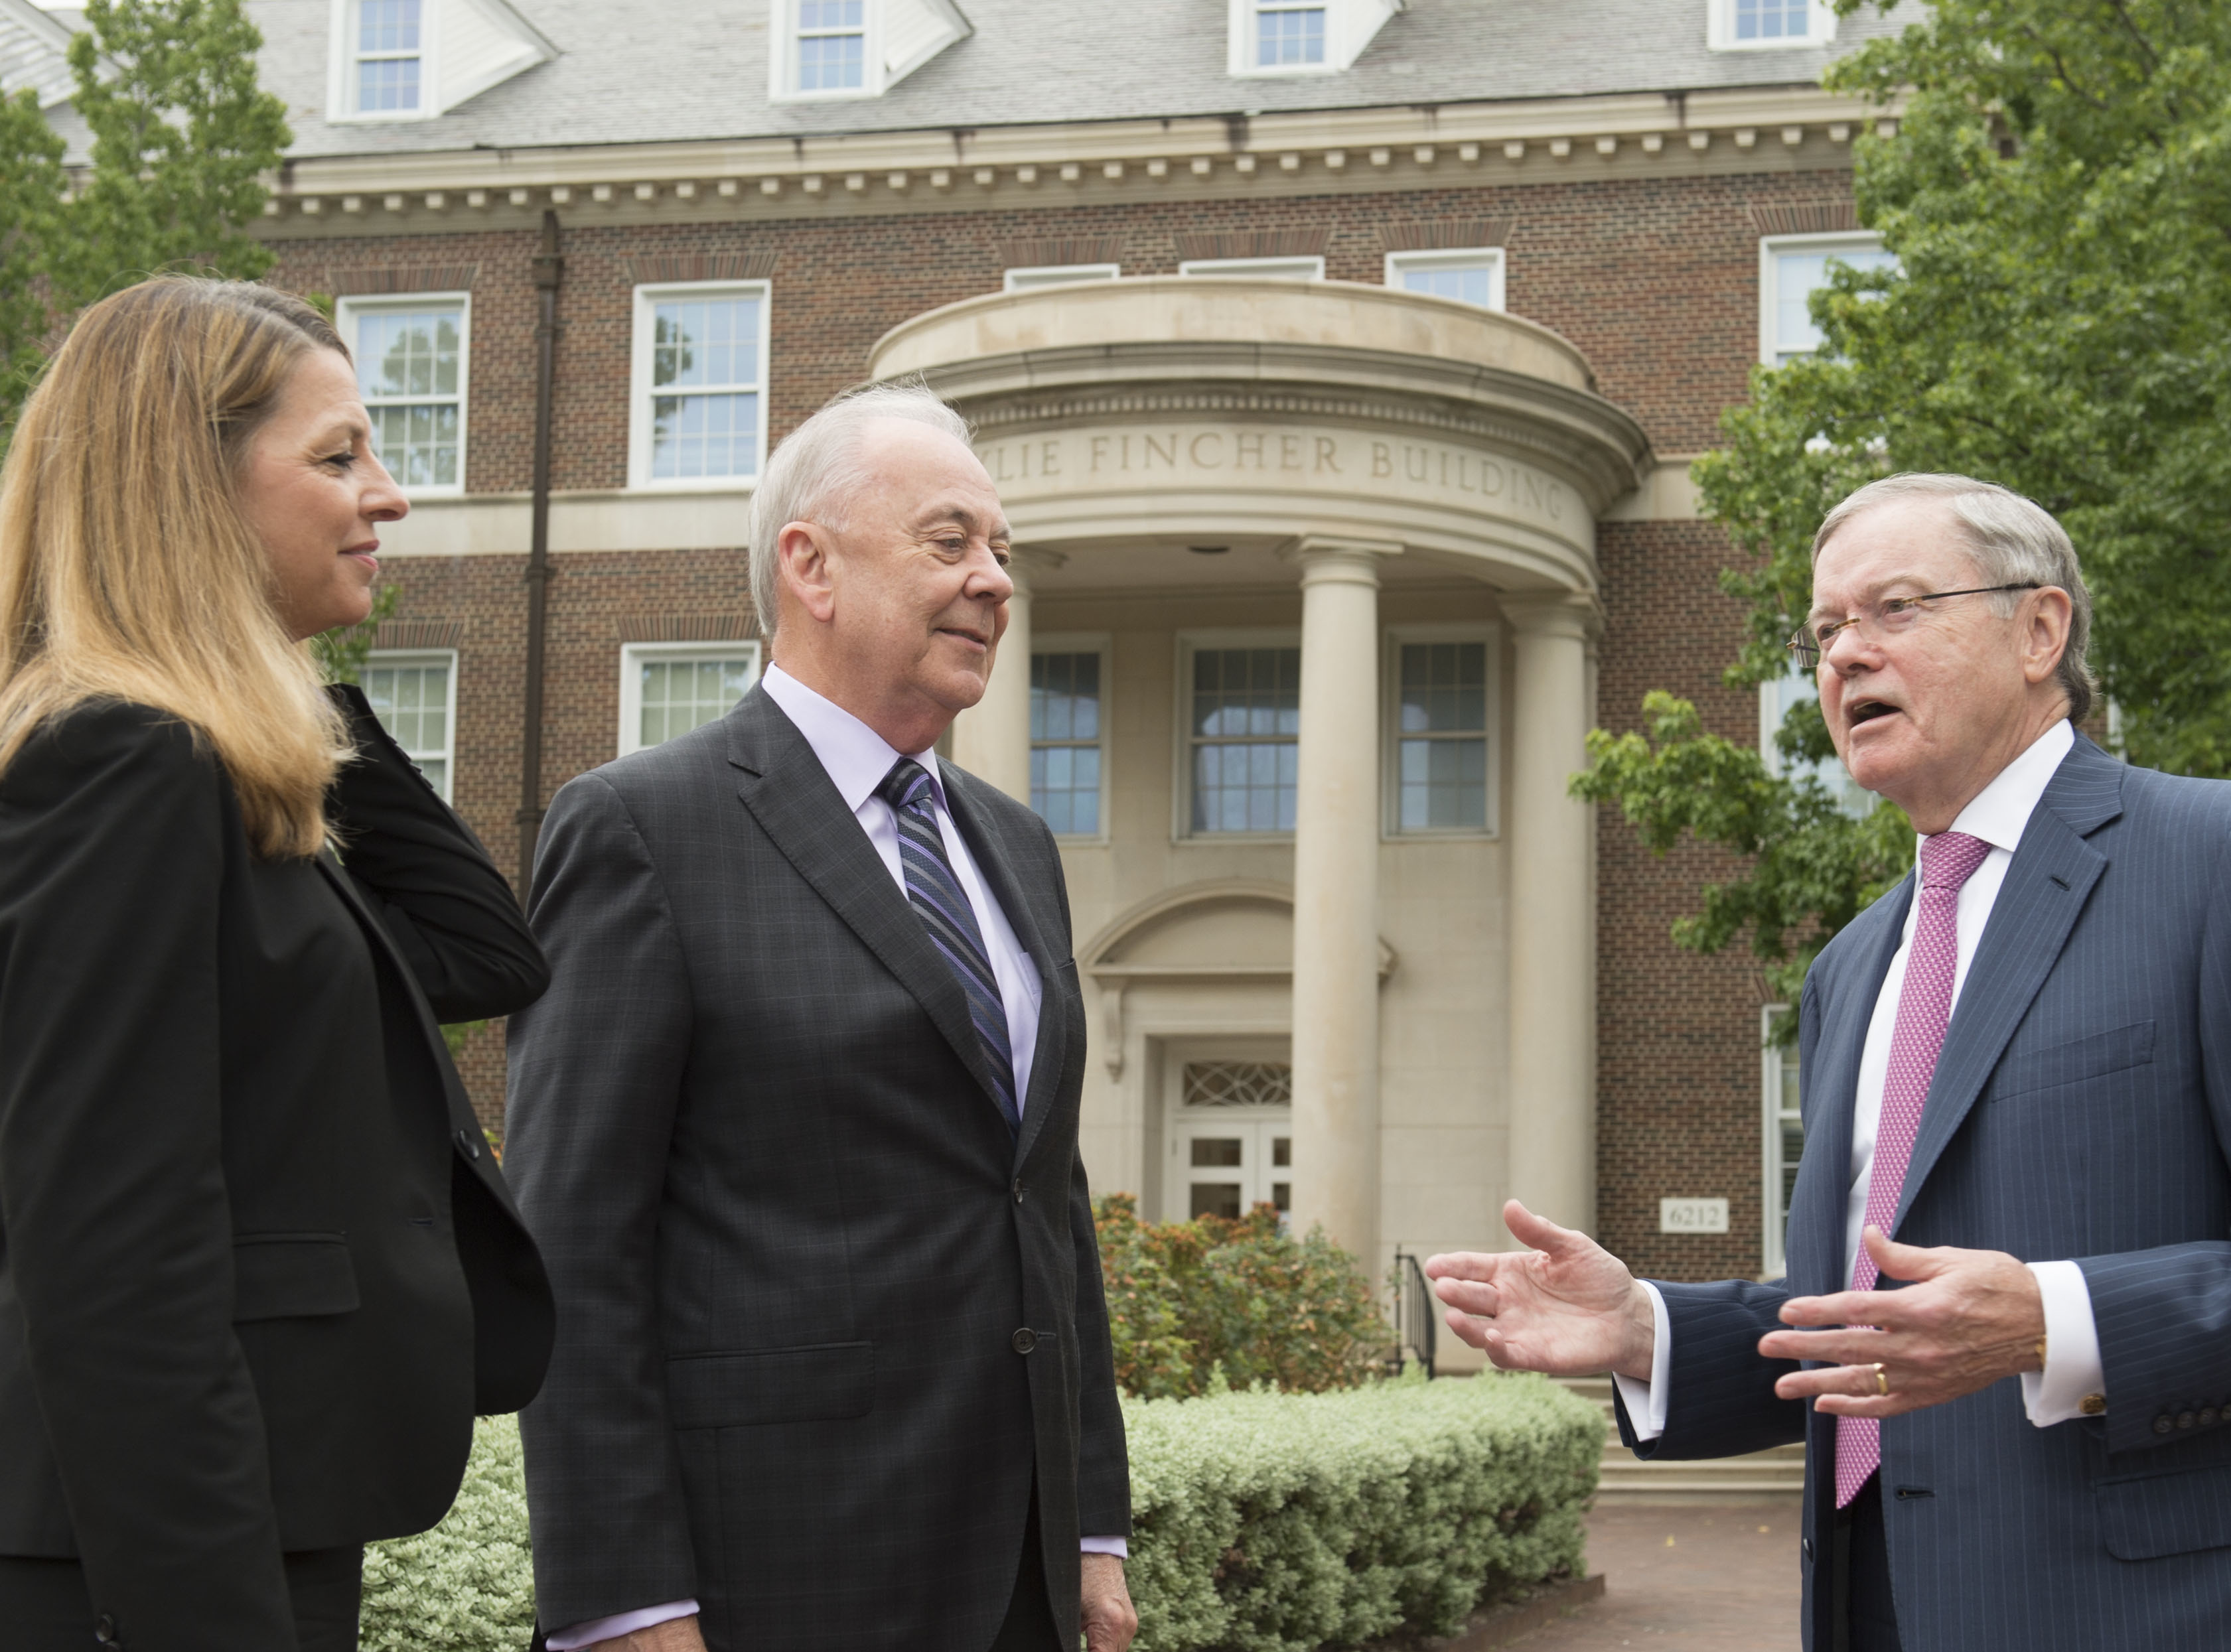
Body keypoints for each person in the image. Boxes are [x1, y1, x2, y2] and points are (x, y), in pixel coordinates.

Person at [1427, 473, 2231, 1651]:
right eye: (1822, 631)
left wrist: (2058, 1321)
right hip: (1866, 1596)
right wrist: (1648, 1327)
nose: (1845, 655)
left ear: (2038, 629)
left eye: (1893, 609)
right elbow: (1868, 1317)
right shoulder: (1854, 962)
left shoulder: (2205, 861)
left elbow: (1998, 1316)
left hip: (2131, 1607)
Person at [505, 381, 1135, 1652]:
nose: (996, 580)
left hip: (1019, 1579)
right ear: (812, 564)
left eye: (1002, 551)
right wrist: (625, 1603)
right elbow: (574, 1244)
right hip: (773, 1579)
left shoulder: (1012, 844)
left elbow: (1044, 1204)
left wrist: (1091, 1526)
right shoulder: (641, 826)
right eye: (950, 540)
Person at [0, 277, 556, 1651]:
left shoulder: (213, 767)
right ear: (190, 488)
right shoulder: (115, 764)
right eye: (337, 455)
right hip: (155, 1558)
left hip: (253, 1508)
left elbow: (484, 950)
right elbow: (115, 1247)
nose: (389, 494)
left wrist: (278, 682)